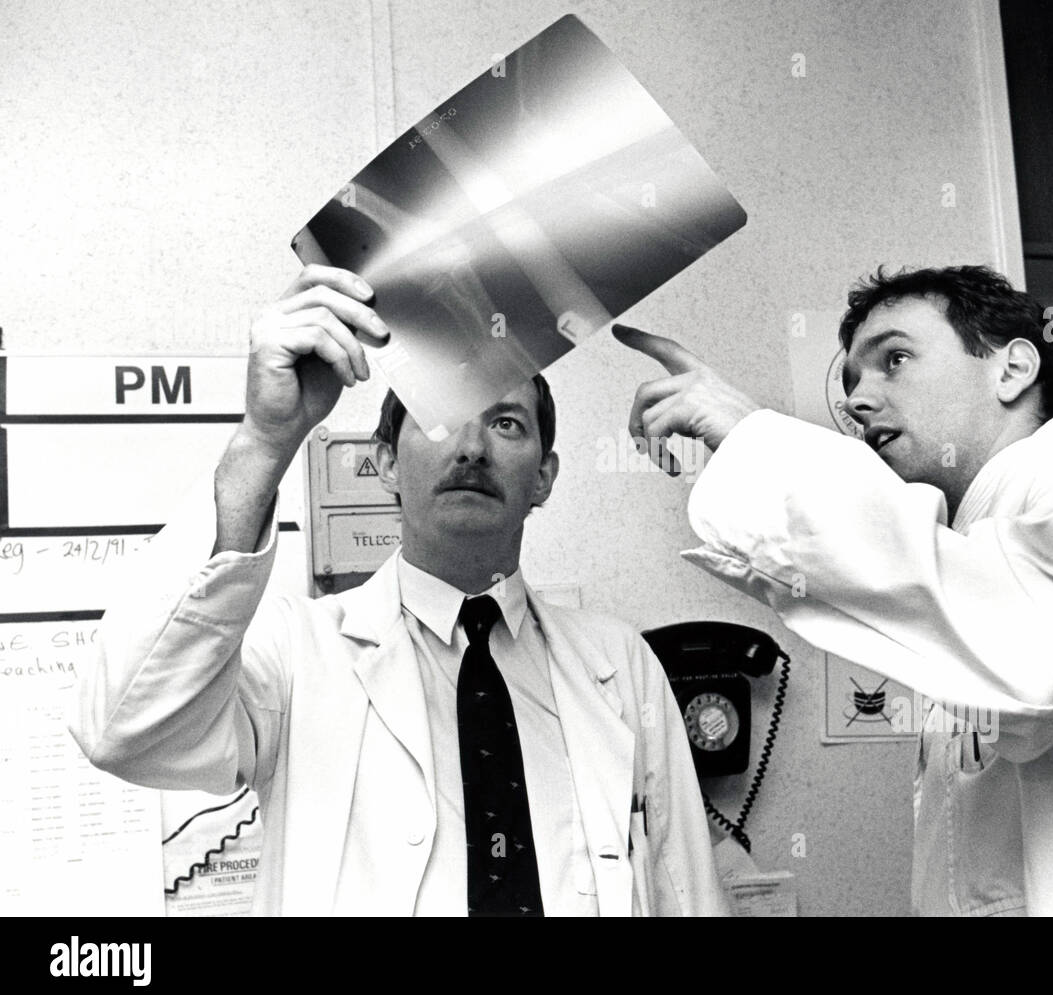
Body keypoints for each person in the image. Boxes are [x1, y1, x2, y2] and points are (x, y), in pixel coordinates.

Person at [71, 264, 728, 917]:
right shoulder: (295, 653)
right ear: (384, 461)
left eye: (506, 424)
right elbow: (123, 729)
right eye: (441, 420)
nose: (470, 446)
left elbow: (687, 892)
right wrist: (266, 440)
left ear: (544, 479)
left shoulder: (623, 665)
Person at [614, 264, 1053, 916]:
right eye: (851, 382)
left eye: (894, 359)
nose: (859, 402)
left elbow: (1033, 662)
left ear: (1011, 369)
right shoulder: (966, 553)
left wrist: (752, 432)